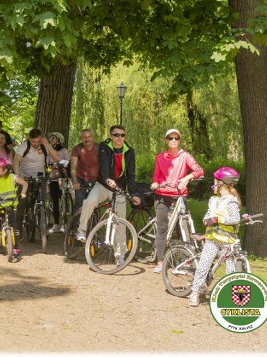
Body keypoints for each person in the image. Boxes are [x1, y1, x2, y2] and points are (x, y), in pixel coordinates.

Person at [75, 125, 141, 266]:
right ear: (111, 136)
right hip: (103, 185)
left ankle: (120, 254)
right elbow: (104, 168)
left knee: (120, 221)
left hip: (119, 189)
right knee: (90, 201)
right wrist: (107, 179)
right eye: (116, 135)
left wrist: (134, 193)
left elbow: (131, 175)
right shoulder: (104, 148)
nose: (119, 138)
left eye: (122, 135)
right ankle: (82, 229)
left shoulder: (130, 152)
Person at [150, 129, 204, 273]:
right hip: (162, 195)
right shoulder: (160, 157)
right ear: (166, 140)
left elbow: (199, 170)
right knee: (162, 227)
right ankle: (160, 261)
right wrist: (155, 183)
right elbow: (156, 175)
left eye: (176, 138)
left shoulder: (185, 156)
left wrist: (187, 178)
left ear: (179, 140)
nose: (174, 140)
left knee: (182, 228)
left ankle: (184, 261)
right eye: (170, 138)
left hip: (179, 196)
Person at [189, 167, 242, 307]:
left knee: (231, 270)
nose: (214, 184)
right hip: (212, 239)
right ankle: (195, 292)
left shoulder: (231, 201)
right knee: (203, 265)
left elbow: (235, 219)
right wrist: (207, 219)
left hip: (227, 241)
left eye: (215, 181)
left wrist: (218, 220)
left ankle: (232, 298)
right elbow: (208, 213)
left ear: (223, 183)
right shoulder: (213, 199)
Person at [12, 128, 59, 241]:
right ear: (29, 139)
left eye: (38, 141)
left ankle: (44, 225)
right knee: (21, 205)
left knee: (43, 202)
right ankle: (19, 232)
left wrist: (48, 145)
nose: (36, 144)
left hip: (40, 177)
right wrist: (18, 177)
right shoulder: (24, 146)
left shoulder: (43, 146)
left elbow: (56, 158)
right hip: (25, 178)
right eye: (33, 142)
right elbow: (16, 161)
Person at [0, 158, 27, 259]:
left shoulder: (12, 177)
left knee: (15, 227)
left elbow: (25, 183)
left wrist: (23, 192)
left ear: (5, 170)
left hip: (9, 205)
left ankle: (16, 248)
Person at [69, 129, 99, 216]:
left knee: (95, 205)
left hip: (95, 180)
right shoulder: (77, 149)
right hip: (81, 180)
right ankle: (75, 227)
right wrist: (75, 182)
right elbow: (73, 167)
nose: (87, 139)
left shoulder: (99, 148)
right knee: (79, 203)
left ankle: (95, 227)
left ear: (92, 137)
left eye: (89, 137)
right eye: (84, 137)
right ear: (81, 139)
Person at [46, 132, 70, 233]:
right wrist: (50, 167)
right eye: (50, 138)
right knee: (55, 200)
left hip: (63, 178)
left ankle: (64, 223)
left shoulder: (64, 151)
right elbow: (47, 164)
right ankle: (56, 223)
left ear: (59, 140)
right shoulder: (48, 152)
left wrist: (62, 166)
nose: (51, 140)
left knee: (64, 199)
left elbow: (68, 162)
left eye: (53, 138)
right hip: (53, 178)